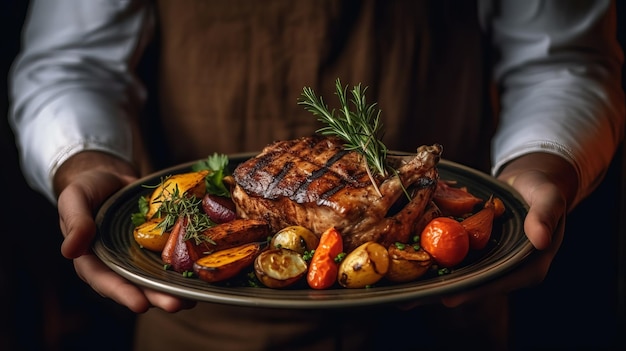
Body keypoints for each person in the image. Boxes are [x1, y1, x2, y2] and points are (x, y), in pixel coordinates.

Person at [8, 0, 625, 350]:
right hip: (199, 323)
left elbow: (562, 58)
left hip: (442, 317)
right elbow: (71, 62)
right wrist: (85, 160)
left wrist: (545, 166)